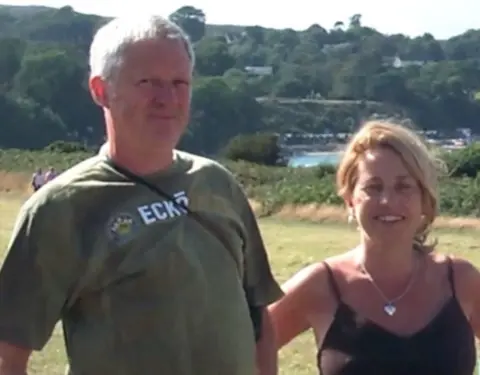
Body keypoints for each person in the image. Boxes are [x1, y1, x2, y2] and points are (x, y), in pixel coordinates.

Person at [0, 15, 283, 375]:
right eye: (148, 82)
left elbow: (258, 315)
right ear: (101, 90)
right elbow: (8, 355)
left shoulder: (217, 184)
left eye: (180, 82)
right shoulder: (61, 208)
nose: (167, 98)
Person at [268, 120, 480, 375]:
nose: (388, 201)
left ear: (424, 199)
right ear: (350, 200)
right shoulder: (320, 285)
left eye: (403, 187)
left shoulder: (460, 280)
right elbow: (240, 352)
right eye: (373, 187)